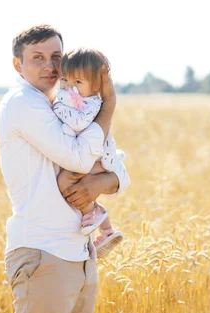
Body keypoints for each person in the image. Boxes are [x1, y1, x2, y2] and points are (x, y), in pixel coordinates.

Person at [0, 24, 130, 313]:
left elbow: (117, 172)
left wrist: (100, 184)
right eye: (37, 57)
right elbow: (81, 160)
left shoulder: (67, 103)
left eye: (56, 56)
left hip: (80, 256)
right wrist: (109, 106)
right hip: (44, 254)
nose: (49, 66)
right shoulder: (22, 102)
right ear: (18, 64)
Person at [53, 48, 125, 259]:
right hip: (90, 155)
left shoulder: (92, 104)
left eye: (78, 83)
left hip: (98, 159)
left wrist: (57, 106)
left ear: (95, 87)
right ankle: (107, 230)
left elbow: (79, 122)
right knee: (70, 183)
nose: (68, 87)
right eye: (65, 80)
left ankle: (93, 215)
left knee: (65, 181)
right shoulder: (77, 101)